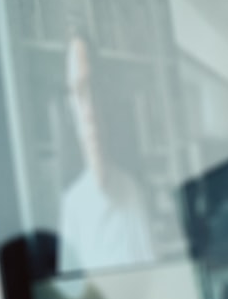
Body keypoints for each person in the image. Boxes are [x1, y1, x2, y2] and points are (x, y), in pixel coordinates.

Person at [54, 30, 158, 269]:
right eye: (79, 93)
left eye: (93, 89)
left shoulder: (132, 191)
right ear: (69, 107)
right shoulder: (72, 208)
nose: (89, 111)